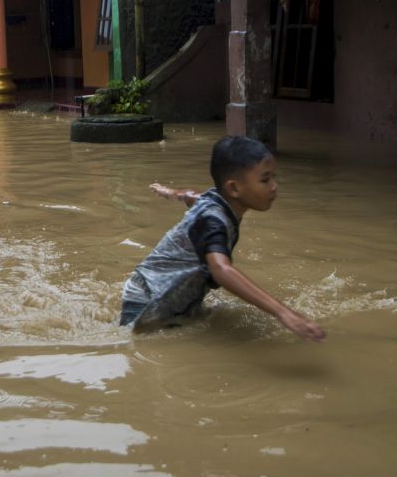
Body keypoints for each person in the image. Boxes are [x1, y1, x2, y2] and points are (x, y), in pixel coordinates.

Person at [119, 135, 326, 342]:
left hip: (170, 291)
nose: (274, 186)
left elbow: (189, 196)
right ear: (234, 188)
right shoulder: (214, 221)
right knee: (141, 344)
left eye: (273, 177)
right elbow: (221, 269)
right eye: (265, 180)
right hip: (148, 297)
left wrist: (168, 192)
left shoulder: (214, 199)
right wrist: (283, 312)